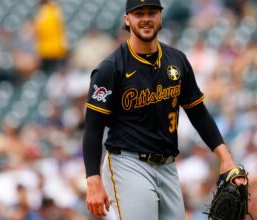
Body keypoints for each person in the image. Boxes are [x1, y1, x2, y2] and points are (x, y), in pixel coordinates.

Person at [82, 0, 244, 219]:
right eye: (139, 13)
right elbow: (93, 128)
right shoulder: (111, 68)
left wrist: (226, 158)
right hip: (128, 164)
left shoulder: (177, 60)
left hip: (168, 166)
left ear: (160, 16)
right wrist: (93, 179)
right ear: (127, 20)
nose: (146, 18)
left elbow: (198, 113)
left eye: (152, 12)